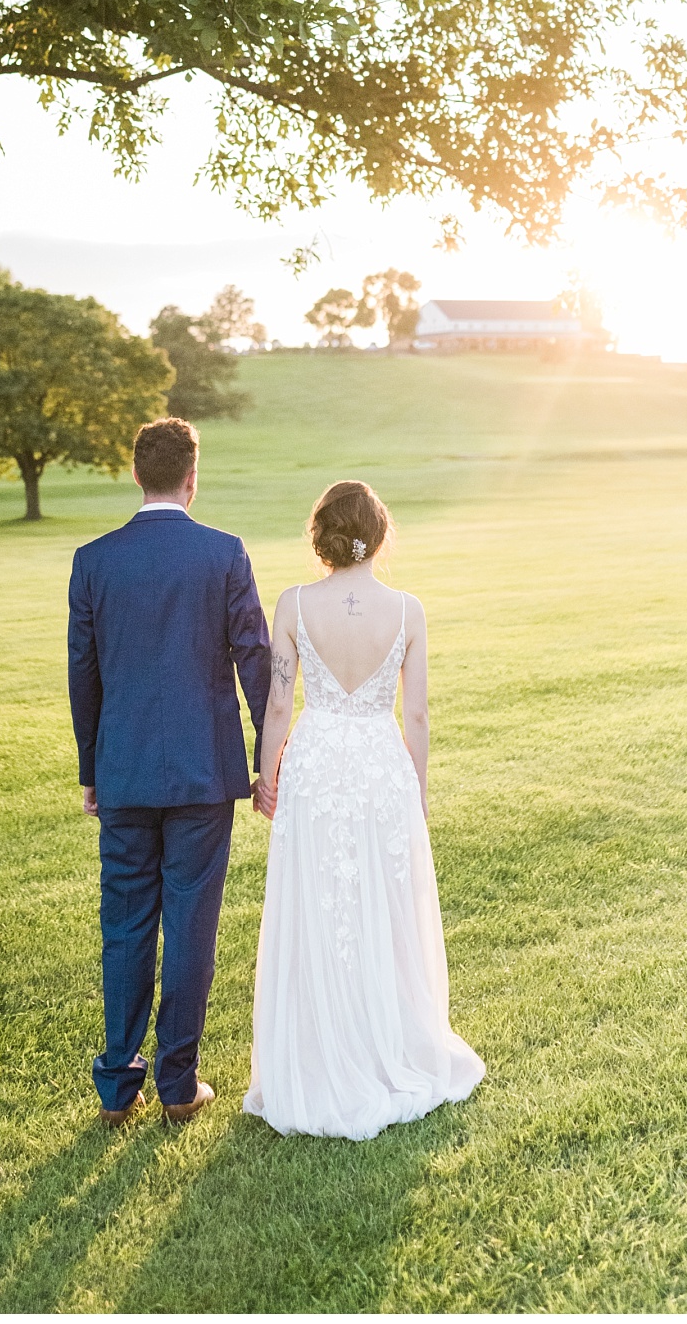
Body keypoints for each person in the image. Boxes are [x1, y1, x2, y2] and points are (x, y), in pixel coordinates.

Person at [244, 478, 484, 1139]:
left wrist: (267, 776)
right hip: (381, 766)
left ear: (322, 535)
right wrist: (420, 789)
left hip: (316, 764)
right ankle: (390, 1040)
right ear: (377, 535)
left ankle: (320, 1052)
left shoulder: (294, 603)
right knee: (381, 903)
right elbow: (416, 712)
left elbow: (277, 704)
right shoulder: (407, 611)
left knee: (317, 902)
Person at [68, 416, 270, 1125]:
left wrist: (92, 768)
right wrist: (263, 756)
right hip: (203, 773)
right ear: (192, 476)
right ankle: (179, 1084)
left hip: (123, 772)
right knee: (191, 923)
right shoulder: (224, 554)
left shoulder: (94, 560)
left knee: (124, 923)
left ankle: (119, 1087)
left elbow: (84, 673)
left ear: (135, 475)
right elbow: (255, 657)